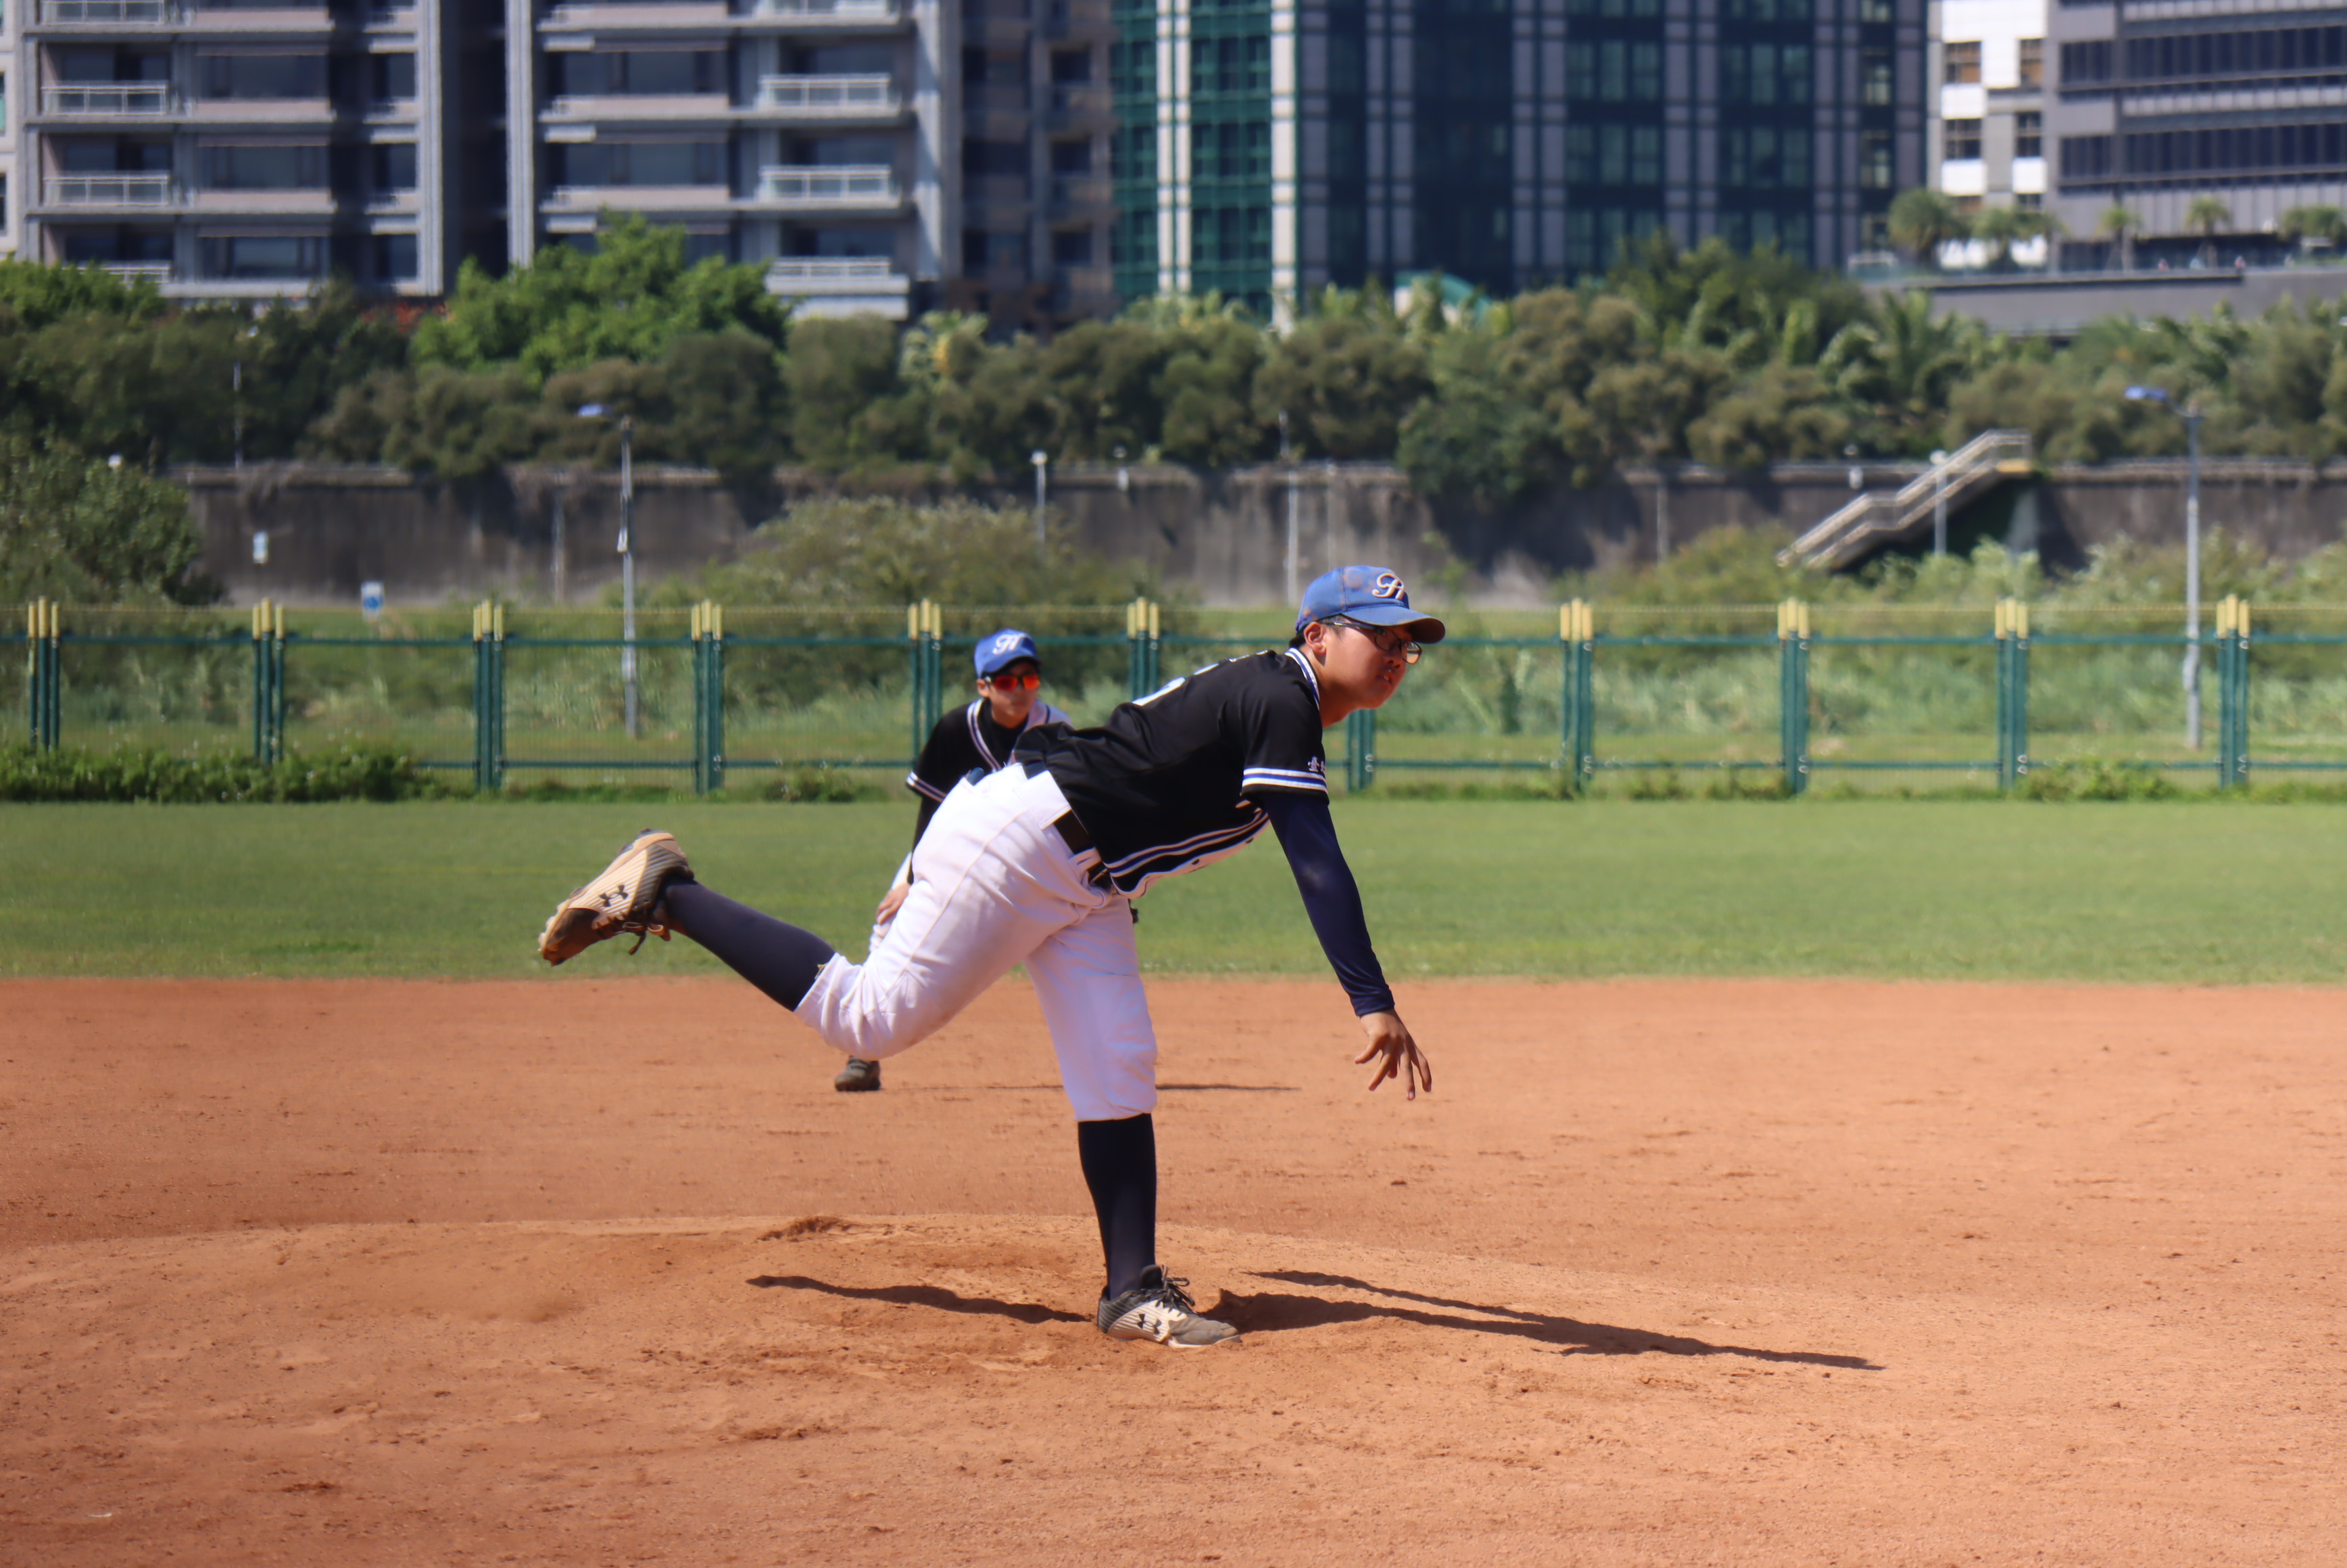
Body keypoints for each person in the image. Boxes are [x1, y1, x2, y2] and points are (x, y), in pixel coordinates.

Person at [537, 565, 1441, 1349]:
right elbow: (1316, 861)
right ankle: (669, 892)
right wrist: (1370, 998)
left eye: (1409, 644)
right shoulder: (1284, 696)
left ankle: (1131, 1291)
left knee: (1118, 1062)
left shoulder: (1280, 698)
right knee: (869, 1020)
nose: (1398, 654)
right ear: (1318, 636)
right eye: (1382, 635)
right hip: (1025, 843)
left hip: (1086, 876)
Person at [835, 627, 1071, 1094]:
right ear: (984, 686)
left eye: (1029, 678)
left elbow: (1072, 808)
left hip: (1033, 854)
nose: (1020, 690)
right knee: (891, 922)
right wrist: (911, 879)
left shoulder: (1055, 728)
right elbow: (931, 810)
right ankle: (865, 1051)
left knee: (1071, 944)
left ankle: (1100, 1057)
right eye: (1007, 681)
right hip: (952, 842)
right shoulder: (954, 729)